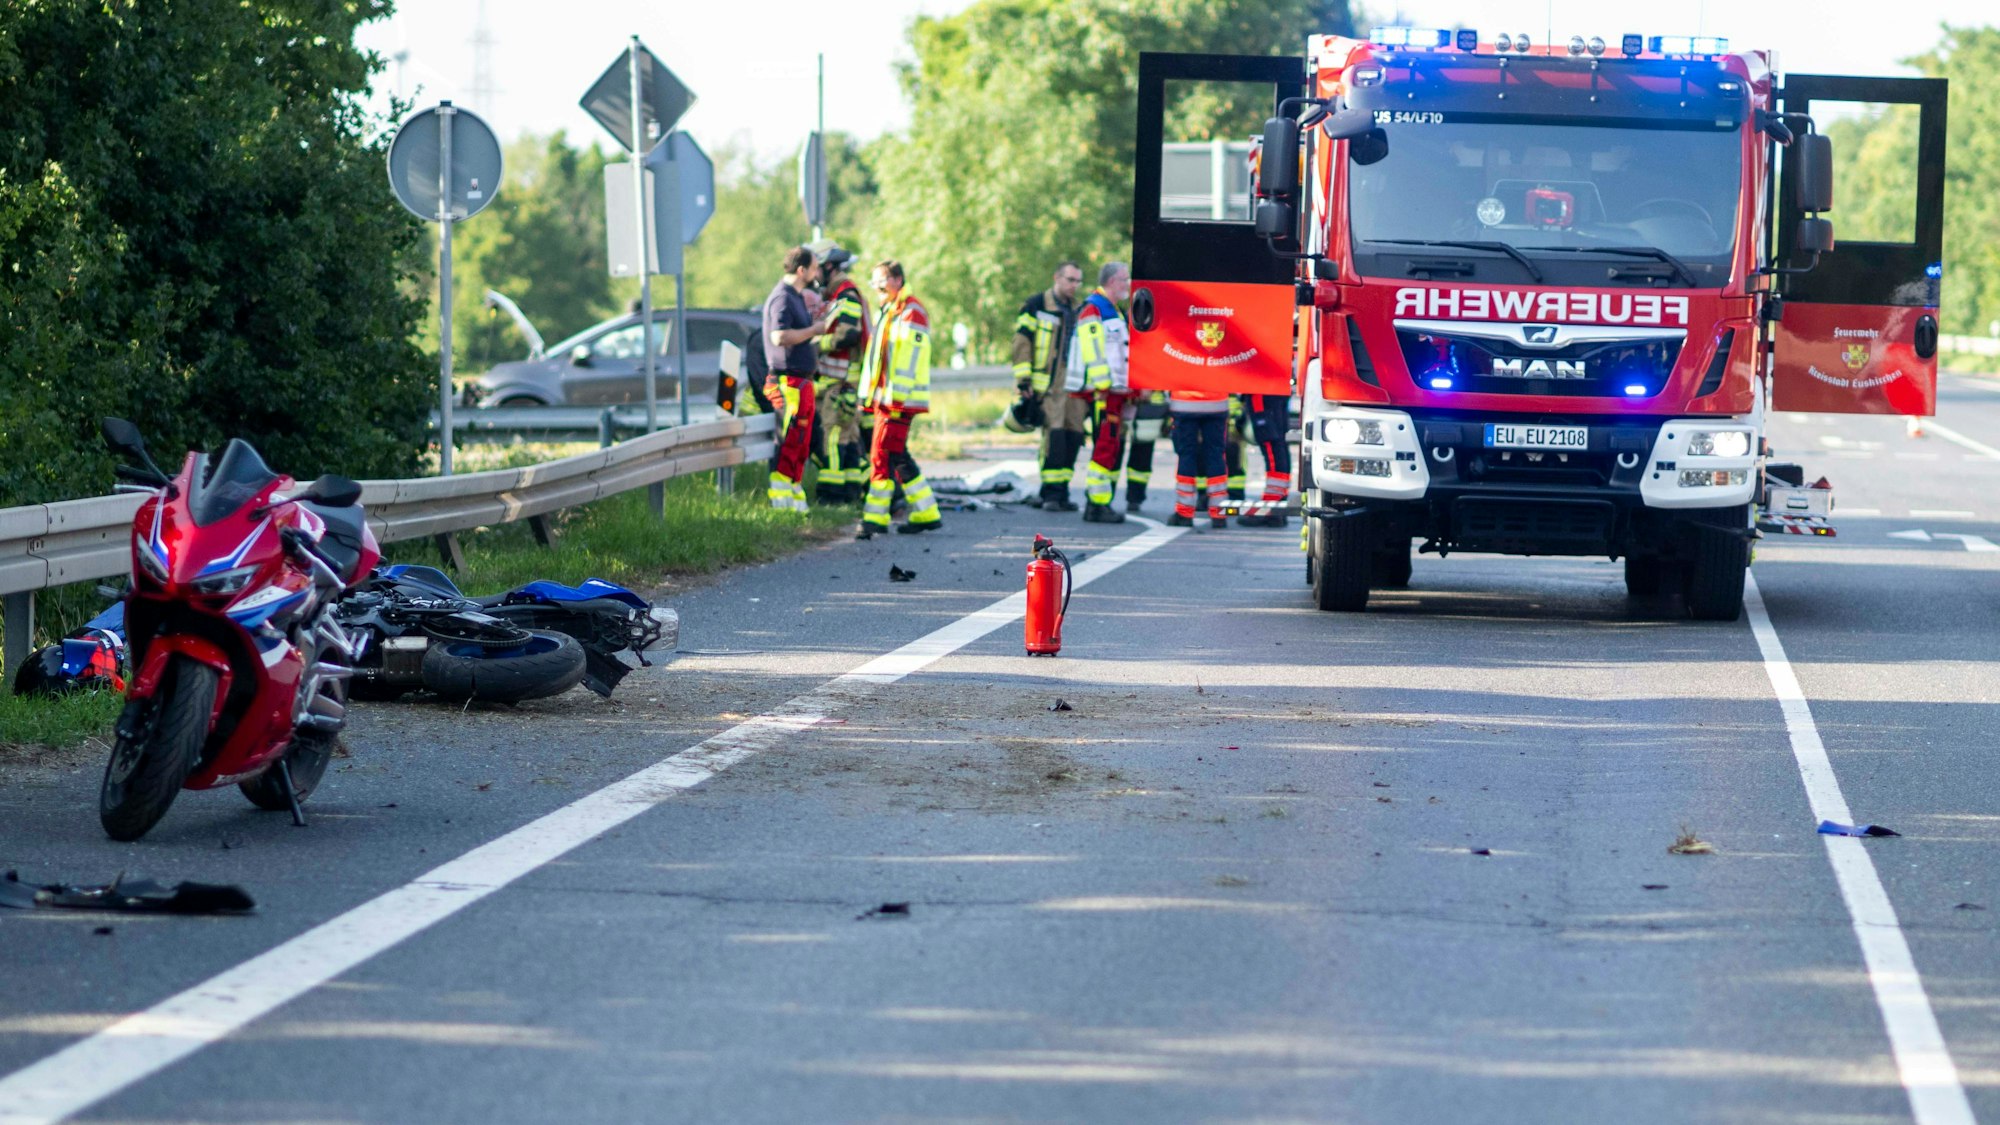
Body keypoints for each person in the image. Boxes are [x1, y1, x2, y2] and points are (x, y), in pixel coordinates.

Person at [857, 260, 943, 537]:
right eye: (874, 282)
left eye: (881, 280)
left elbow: (909, 361)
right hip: (888, 399)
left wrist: (895, 399)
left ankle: (874, 519)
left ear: (897, 280)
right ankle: (926, 512)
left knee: (881, 454)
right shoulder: (893, 310)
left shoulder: (911, 312)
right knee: (895, 453)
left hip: (897, 401)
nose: (876, 287)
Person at [762, 246, 836, 511]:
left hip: (800, 381)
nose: (818, 272)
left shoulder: (795, 296)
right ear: (802, 269)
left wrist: (815, 322)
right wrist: (814, 329)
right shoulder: (782, 298)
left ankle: (793, 495)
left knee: (801, 441)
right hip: (788, 381)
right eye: (815, 267)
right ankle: (781, 500)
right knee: (790, 438)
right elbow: (779, 337)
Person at [1012, 262, 1086, 510]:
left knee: (1073, 435)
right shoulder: (1036, 305)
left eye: (1078, 281)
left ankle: (1059, 492)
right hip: (1050, 385)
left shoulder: (1081, 309)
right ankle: (1052, 495)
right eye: (1070, 280)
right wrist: (1024, 380)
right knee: (1054, 437)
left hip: (1076, 383)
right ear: (1057, 277)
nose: (1074, 285)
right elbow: (1022, 342)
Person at [1067, 261, 1133, 524]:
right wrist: (1103, 387)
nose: (1128, 284)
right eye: (1124, 279)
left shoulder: (1111, 310)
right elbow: (1093, 351)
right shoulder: (1095, 308)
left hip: (1113, 393)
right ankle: (1097, 504)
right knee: (1104, 446)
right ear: (1111, 281)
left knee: (1108, 445)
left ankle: (1097, 503)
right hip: (1103, 394)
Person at [808, 241, 870, 505]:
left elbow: (848, 335)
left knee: (833, 438)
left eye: (818, 269)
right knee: (849, 439)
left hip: (840, 383)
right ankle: (854, 493)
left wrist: (815, 343)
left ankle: (832, 497)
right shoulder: (837, 294)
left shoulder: (846, 295)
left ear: (829, 267)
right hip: (841, 384)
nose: (815, 276)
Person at [1167, 387, 1231, 529]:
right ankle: (1219, 513)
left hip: (1185, 402)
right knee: (1216, 455)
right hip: (1216, 402)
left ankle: (1184, 513)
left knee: (1186, 455)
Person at [1236, 390, 1294, 528]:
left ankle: (1271, 506)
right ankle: (1278, 503)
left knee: (1273, 448)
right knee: (1279, 446)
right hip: (1275, 389)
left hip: (1261, 391)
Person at [1123, 391, 1167, 512]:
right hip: (1122, 396)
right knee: (1113, 448)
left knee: (1142, 449)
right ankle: (1103, 499)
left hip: (1146, 401)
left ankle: (1134, 497)